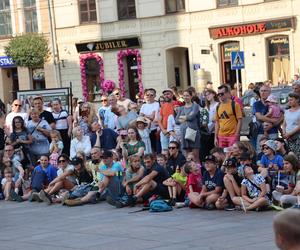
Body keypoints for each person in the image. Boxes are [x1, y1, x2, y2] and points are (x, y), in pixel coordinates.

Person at [253, 84, 283, 152]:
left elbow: (281, 116)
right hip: (260, 132)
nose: (263, 92)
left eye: (265, 91)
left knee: (274, 151)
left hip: (273, 132)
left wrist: (274, 124)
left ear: (269, 92)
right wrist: (273, 121)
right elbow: (259, 117)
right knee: (261, 152)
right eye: (261, 91)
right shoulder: (256, 104)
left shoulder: (275, 103)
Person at [176, 89, 201, 162]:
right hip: (184, 133)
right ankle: (189, 172)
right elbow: (176, 121)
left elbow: (191, 117)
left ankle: (198, 172)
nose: (185, 97)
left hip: (193, 132)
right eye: (184, 96)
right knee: (187, 157)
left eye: (187, 95)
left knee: (195, 156)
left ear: (191, 96)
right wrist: (187, 117)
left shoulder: (195, 106)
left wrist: (183, 117)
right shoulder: (181, 108)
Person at [140, 88, 160, 153]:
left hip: (154, 129)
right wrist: (148, 116)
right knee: (147, 149)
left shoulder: (157, 104)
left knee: (154, 148)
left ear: (154, 96)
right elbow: (140, 117)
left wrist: (144, 115)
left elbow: (152, 118)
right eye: (147, 95)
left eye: (151, 95)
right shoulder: (143, 105)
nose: (149, 96)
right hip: (145, 130)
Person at [202, 89, 219, 160]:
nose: (207, 96)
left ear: (213, 94)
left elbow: (216, 119)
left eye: (209, 94)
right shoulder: (206, 107)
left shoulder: (217, 104)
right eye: (206, 95)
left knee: (214, 150)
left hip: (214, 130)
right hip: (207, 131)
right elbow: (204, 120)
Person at [282, 93, 300, 159]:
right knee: (290, 156)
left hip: (297, 137)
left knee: (297, 156)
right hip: (288, 138)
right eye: (288, 100)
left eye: (291, 100)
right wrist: (284, 133)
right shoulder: (287, 111)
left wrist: (289, 134)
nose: (289, 101)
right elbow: (284, 124)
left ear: (297, 100)